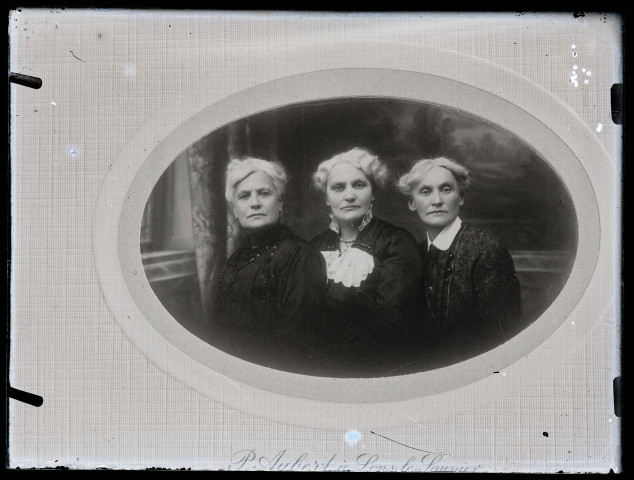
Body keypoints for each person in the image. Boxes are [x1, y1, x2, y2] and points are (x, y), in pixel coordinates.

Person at [397, 157, 522, 366]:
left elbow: (503, 339)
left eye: (446, 190)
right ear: (412, 202)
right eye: (425, 191)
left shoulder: (486, 251)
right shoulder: (414, 254)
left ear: (461, 197)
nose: (436, 200)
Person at [310, 148, 422, 377]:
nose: (349, 195)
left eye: (359, 185)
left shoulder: (397, 242)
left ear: (373, 193)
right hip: (320, 369)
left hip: (376, 369)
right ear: (326, 198)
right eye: (338, 188)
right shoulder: (314, 246)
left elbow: (393, 323)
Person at [212, 157, 326, 374]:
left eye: (264, 193)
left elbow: (295, 345)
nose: (254, 203)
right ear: (235, 210)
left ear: (280, 202)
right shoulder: (233, 261)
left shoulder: (301, 256)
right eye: (244, 196)